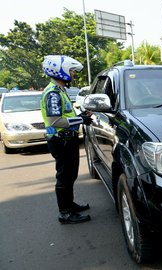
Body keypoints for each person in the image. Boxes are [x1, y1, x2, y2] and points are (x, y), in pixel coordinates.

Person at [40, 55, 93, 224]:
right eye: (71, 70)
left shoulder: (60, 90)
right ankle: (65, 213)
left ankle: (69, 205)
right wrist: (81, 120)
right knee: (64, 176)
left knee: (71, 175)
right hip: (60, 140)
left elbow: (66, 114)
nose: (73, 74)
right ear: (60, 71)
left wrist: (81, 115)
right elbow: (55, 121)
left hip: (67, 139)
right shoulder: (53, 93)